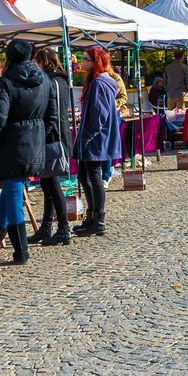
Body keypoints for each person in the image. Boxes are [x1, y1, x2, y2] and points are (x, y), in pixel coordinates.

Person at [0, 41, 50, 264]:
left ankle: (21, 251)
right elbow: (51, 112)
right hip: (35, 138)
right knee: (9, 196)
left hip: (13, 143)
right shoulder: (43, 78)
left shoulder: (6, 81)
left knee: (14, 196)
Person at [74, 47, 122, 237]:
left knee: (94, 177)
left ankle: (98, 219)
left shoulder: (100, 84)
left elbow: (98, 117)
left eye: (85, 59)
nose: (82, 61)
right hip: (96, 136)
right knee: (84, 176)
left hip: (97, 138)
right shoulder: (98, 82)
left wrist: (86, 139)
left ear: (95, 62)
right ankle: (92, 217)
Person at [28, 46, 73, 245]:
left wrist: (42, 136)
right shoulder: (60, 80)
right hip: (55, 135)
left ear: (42, 62)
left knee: (52, 185)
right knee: (47, 184)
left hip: (54, 138)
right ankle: (46, 227)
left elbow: (52, 114)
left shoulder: (53, 82)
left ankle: (63, 228)